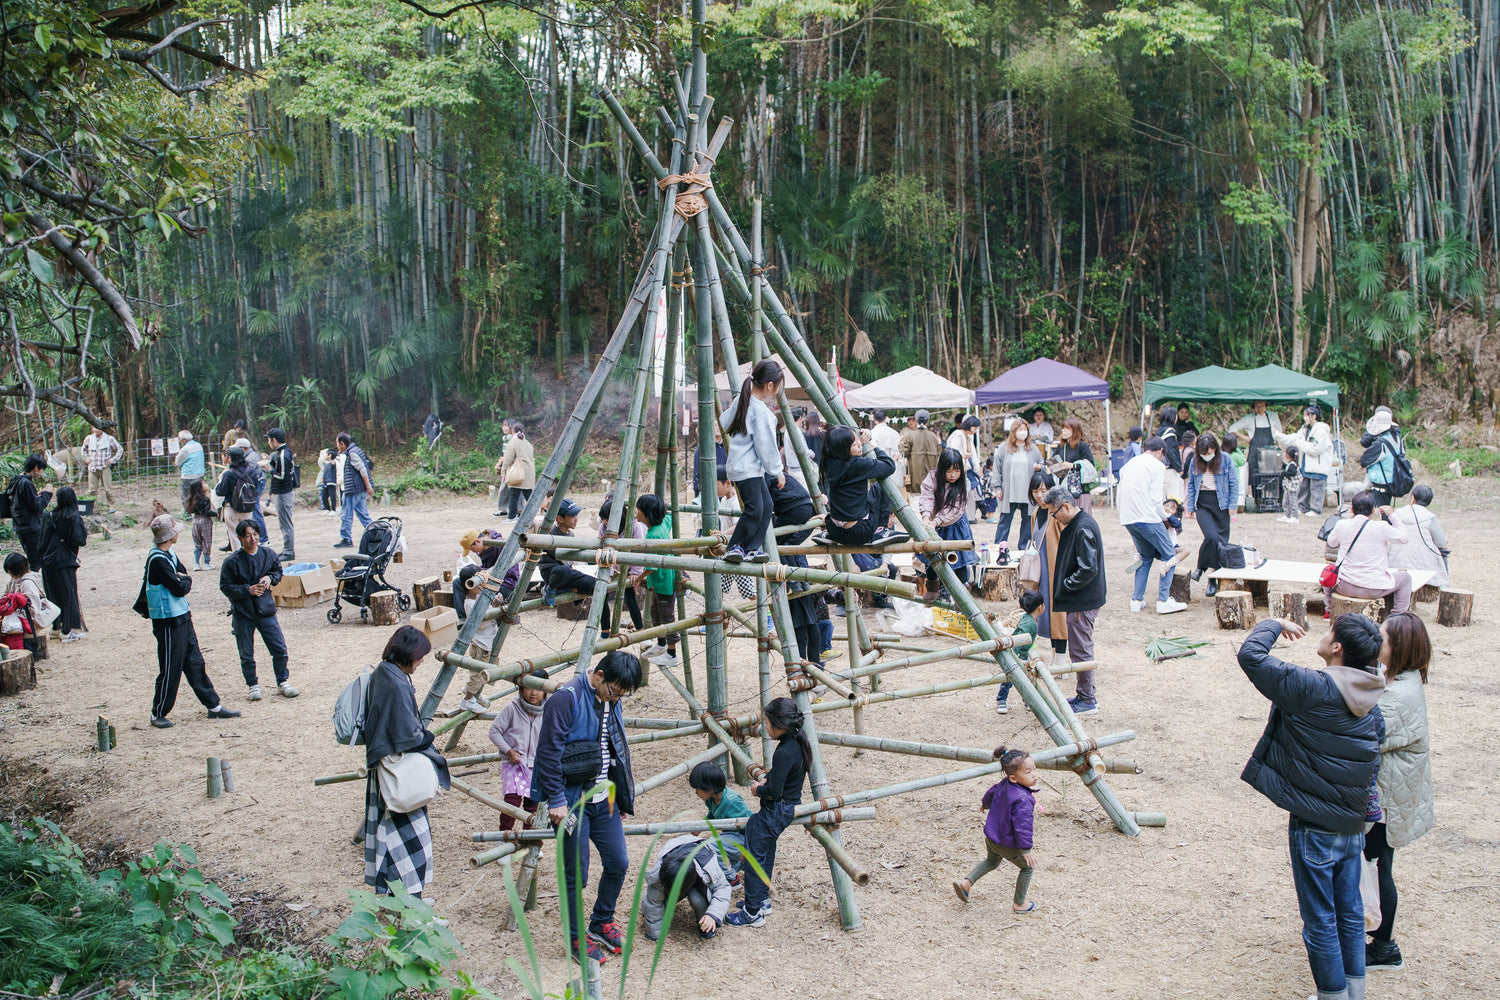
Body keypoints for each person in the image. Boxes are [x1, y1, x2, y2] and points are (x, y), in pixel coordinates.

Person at [1237, 613, 1385, 1000]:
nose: (1324, 635)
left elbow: (1252, 656)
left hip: (1314, 826)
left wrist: (1271, 623)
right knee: (1350, 915)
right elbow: (1374, 759)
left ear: (1336, 648)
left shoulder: (1313, 688)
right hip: (1351, 828)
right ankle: (1354, 992)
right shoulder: (1371, 699)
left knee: (1320, 919)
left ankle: (1332, 996)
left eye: (1329, 631)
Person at [530, 650, 643, 964]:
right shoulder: (565, 699)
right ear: (600, 676)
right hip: (571, 802)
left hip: (603, 800)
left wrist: (620, 797)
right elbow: (548, 756)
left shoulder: (611, 701)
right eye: (615, 692)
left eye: (623, 695)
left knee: (618, 862)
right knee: (575, 874)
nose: (617, 698)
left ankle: (601, 921)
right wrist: (556, 801)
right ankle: (576, 938)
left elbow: (615, 750)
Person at [1363, 612, 1433, 973]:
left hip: (1388, 798)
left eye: (1383, 638)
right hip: (1390, 793)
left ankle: (1385, 947)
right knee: (1376, 865)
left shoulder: (1400, 694)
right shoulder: (1398, 679)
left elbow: (1369, 735)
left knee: (1376, 867)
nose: (1378, 642)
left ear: (1399, 648)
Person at [362, 625, 450, 901]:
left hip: (386, 764)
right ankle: (411, 903)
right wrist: (428, 736)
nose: (422, 662)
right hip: (398, 770)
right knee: (408, 844)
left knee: (392, 842)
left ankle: (403, 901)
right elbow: (407, 735)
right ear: (409, 654)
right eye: (420, 656)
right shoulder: (396, 685)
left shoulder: (384, 672)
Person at [138, 509, 239, 728]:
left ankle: (213, 705)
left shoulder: (169, 554)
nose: (177, 533)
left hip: (181, 615)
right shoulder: (157, 559)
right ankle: (158, 712)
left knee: (195, 662)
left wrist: (182, 579)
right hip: (167, 620)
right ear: (167, 535)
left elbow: (182, 577)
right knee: (171, 667)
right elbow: (180, 587)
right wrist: (182, 579)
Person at [726, 697, 811, 928]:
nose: (765, 728)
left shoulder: (785, 751)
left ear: (779, 724)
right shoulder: (796, 742)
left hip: (777, 808)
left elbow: (774, 790)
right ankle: (761, 900)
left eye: (767, 722)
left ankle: (752, 913)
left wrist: (758, 789)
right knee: (765, 852)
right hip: (785, 807)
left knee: (754, 856)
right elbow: (781, 776)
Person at [951, 745, 1040, 914]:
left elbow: (991, 793)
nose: (1034, 774)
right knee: (1027, 868)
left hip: (992, 837)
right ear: (1014, 778)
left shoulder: (1005, 784)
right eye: (1028, 772)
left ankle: (966, 884)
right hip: (1007, 842)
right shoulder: (1022, 799)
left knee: (992, 861)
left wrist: (984, 804)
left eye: (1034, 769)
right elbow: (1023, 827)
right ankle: (1019, 903)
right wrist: (1026, 850)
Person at [219, 520, 296, 701]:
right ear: (239, 538)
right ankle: (252, 685)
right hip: (243, 612)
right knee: (246, 653)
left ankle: (282, 681)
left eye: (255, 534)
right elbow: (225, 586)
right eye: (247, 535)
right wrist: (247, 590)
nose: (252, 539)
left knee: (279, 648)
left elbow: (278, 571)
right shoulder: (231, 562)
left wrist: (270, 578)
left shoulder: (268, 554)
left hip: (266, 610)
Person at [718, 360, 786, 564]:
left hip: (744, 467)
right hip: (747, 468)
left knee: (766, 506)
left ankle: (752, 548)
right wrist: (778, 471)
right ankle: (735, 546)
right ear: (770, 386)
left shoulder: (743, 400)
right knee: (755, 509)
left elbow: (723, 421)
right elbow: (767, 446)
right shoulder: (761, 412)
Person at [1047, 487, 1106, 715]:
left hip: (1083, 599)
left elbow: (1088, 568)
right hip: (1083, 598)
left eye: (1054, 513)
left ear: (1067, 507)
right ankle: (1084, 694)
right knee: (1081, 647)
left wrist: (1067, 586)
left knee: (1081, 649)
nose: (1055, 518)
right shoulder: (1080, 524)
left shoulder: (1082, 527)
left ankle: (1088, 700)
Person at [1117, 438, 1187, 615]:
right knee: (1169, 554)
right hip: (1146, 517)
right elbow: (1156, 499)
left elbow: (1120, 492)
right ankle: (1163, 601)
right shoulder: (1156, 466)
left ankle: (1136, 599)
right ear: (1161, 452)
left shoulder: (1129, 464)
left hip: (1127, 517)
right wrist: (1167, 517)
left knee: (1145, 556)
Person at [814, 426, 908, 548]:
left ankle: (828, 534)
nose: (859, 445)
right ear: (842, 449)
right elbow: (889, 466)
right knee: (880, 487)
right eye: (854, 444)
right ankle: (880, 530)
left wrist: (865, 433)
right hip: (859, 532)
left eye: (858, 440)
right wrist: (875, 448)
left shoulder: (828, 463)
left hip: (834, 530)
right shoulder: (858, 464)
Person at [1328, 491, 1413, 614]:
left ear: (1352, 509)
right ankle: (1396, 616)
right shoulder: (1381, 527)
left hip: (1344, 586)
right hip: (1373, 587)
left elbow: (1331, 542)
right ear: (1373, 510)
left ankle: (1327, 609)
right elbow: (1404, 538)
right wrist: (1392, 515)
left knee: (1330, 569)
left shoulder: (1342, 524)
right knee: (1405, 578)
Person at [488, 670, 549, 831]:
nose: (533, 693)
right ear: (521, 689)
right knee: (511, 803)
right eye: (529, 688)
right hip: (514, 763)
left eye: (538, 688)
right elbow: (494, 731)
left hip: (537, 765)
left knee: (532, 806)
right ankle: (504, 839)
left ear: (546, 691)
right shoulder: (511, 709)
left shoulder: (549, 712)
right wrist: (509, 751)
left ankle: (529, 842)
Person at [641, 836, 733, 941]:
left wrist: (712, 914)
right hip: (678, 865)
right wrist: (657, 934)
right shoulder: (660, 873)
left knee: (696, 898)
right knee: (652, 897)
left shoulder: (707, 865)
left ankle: (705, 925)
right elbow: (653, 903)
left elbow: (723, 888)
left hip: (698, 871)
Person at [915, 447, 976, 600]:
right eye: (949, 471)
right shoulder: (933, 477)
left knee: (960, 559)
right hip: (934, 525)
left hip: (955, 525)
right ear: (942, 469)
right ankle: (933, 588)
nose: (953, 475)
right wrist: (926, 517)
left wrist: (936, 521)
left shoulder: (964, 482)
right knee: (931, 556)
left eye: (956, 471)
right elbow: (927, 497)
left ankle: (962, 591)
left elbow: (955, 509)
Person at [1185, 432, 1241, 597]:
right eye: (1204, 453)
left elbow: (1233, 482)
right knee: (1211, 537)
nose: (1207, 456)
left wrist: (1233, 505)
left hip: (1221, 504)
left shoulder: (1225, 459)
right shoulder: (1195, 461)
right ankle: (1202, 568)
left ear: (1215, 449)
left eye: (1209, 452)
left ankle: (1211, 578)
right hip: (1203, 502)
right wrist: (1190, 505)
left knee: (1221, 543)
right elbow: (1191, 484)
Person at [637, 494, 681, 668]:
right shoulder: (662, 525)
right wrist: (666, 506)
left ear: (646, 514)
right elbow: (669, 516)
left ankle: (671, 654)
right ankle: (661, 643)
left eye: (638, 509)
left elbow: (652, 566)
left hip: (664, 583)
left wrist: (639, 577)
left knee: (667, 617)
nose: (636, 512)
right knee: (655, 613)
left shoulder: (652, 536)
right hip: (659, 582)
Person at [990, 420, 1044, 560]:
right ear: (1013, 431)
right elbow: (997, 469)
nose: (1023, 432)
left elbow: (1043, 464)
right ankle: (999, 548)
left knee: (1027, 521)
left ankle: (1024, 550)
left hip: (1028, 491)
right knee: (1005, 520)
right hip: (1009, 491)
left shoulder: (1033, 448)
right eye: (1019, 429)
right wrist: (997, 487)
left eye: (1025, 429)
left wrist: (1039, 467)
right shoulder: (1003, 448)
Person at [689, 761, 751, 879]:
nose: (696, 792)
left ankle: (732, 879)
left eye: (698, 789)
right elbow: (713, 813)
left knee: (712, 844)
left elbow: (751, 823)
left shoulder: (732, 802)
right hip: (731, 837)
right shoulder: (711, 799)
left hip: (747, 840)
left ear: (710, 789)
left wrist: (751, 848)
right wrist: (701, 827)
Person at [596, 495, 646, 638]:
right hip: (610, 566)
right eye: (603, 519)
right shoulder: (603, 527)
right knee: (602, 596)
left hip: (629, 568)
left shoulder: (633, 526)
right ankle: (605, 632)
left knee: (630, 599)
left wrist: (636, 572)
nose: (605, 522)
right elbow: (602, 550)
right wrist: (608, 572)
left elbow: (637, 551)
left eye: (607, 519)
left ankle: (640, 631)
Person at [42, 486, 87, 641]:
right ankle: (68, 631)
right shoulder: (74, 517)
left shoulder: (49, 516)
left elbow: (42, 542)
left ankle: (55, 628)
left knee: (53, 595)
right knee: (68, 595)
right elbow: (80, 540)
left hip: (48, 562)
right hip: (65, 562)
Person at [455, 563, 501, 714]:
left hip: (487, 642)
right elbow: (482, 621)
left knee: (486, 670)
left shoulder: (479, 597)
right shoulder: (470, 603)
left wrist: (494, 603)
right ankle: (467, 700)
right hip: (481, 645)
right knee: (478, 674)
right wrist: (497, 609)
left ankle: (474, 692)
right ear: (470, 584)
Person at [1386, 485, 1448, 588]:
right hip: (1424, 565)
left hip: (1396, 562)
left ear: (1413, 498)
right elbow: (1441, 543)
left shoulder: (1396, 514)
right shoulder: (1430, 518)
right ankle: (1443, 587)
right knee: (1443, 552)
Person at [1282, 405, 1336, 515]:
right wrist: (1279, 436)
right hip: (1306, 464)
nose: (1304, 418)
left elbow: (1316, 448)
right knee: (1304, 487)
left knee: (1316, 488)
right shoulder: (1305, 429)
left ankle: (1315, 510)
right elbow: (1294, 438)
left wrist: (1301, 444)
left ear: (1314, 416)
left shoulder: (1322, 431)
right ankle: (1302, 507)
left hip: (1318, 466)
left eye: (1307, 416)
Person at [8, 456, 53, 571]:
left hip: (20, 527)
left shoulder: (16, 480)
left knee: (33, 559)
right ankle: (35, 587)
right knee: (36, 562)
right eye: (41, 469)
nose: (41, 473)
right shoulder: (26, 483)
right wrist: (47, 494)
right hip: (31, 528)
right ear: (36, 468)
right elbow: (37, 507)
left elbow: (24, 503)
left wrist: (37, 495)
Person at [1359, 406, 1407, 506]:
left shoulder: (1380, 443)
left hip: (1381, 481)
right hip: (1394, 478)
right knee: (1386, 509)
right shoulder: (1397, 439)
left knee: (1372, 506)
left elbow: (1364, 460)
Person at [215, 447, 258, 553]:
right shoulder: (251, 471)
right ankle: (251, 556)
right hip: (248, 507)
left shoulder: (229, 474)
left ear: (230, 458)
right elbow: (255, 487)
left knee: (234, 536)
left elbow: (220, 491)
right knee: (249, 534)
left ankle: (239, 560)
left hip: (232, 507)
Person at [335, 432, 374, 548]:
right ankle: (374, 533)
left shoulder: (352, 453)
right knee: (363, 515)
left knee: (346, 514)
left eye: (337, 443)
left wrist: (368, 486)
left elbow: (362, 469)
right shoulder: (356, 450)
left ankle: (346, 538)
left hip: (353, 489)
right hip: (360, 489)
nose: (337, 446)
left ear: (342, 443)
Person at [1050, 417, 1097, 513]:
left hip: (1079, 491)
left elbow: (1090, 466)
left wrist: (1072, 466)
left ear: (1075, 430)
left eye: (1066, 429)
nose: (1063, 431)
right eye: (1062, 428)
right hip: (1063, 488)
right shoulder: (1061, 446)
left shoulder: (1082, 446)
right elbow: (1053, 463)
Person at [265, 428, 296, 561]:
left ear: (274, 440)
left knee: (285, 522)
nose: (268, 442)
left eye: (268, 439)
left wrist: (269, 470)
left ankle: (289, 550)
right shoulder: (282, 453)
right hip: (282, 492)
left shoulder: (284, 455)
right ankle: (286, 549)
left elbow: (283, 476)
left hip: (284, 493)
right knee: (284, 521)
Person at [899, 409, 943, 495]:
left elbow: (904, 453)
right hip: (931, 481)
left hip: (914, 481)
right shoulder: (933, 437)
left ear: (916, 421)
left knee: (915, 505)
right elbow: (939, 455)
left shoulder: (910, 435)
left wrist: (900, 444)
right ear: (928, 421)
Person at [81, 425, 124, 511]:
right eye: (94, 428)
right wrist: (85, 458)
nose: (96, 430)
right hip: (93, 467)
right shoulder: (89, 438)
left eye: (98, 428)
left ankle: (111, 506)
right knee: (92, 490)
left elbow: (120, 450)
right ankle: (92, 507)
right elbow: (83, 449)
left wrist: (112, 460)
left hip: (104, 467)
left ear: (102, 429)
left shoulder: (109, 438)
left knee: (108, 489)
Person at [500, 422, 536, 520]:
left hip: (518, 473)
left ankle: (511, 517)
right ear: (523, 431)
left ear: (512, 431)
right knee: (529, 496)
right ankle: (532, 515)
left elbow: (508, 458)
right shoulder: (528, 443)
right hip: (529, 474)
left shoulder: (513, 441)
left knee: (513, 496)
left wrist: (503, 472)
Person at [186, 478, 216, 571]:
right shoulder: (205, 499)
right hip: (205, 520)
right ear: (200, 487)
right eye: (204, 483)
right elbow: (207, 511)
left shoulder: (191, 499)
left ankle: (196, 563)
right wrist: (216, 514)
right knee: (206, 541)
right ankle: (206, 563)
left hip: (195, 520)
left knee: (197, 541)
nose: (206, 485)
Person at [174, 430, 205, 512]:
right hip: (200, 474)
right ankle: (200, 511)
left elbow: (177, 462)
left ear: (183, 440)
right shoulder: (198, 445)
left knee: (186, 496)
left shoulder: (185, 449)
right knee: (199, 494)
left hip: (188, 476)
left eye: (179, 439)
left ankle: (187, 513)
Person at [492, 418, 515, 516]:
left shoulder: (513, 439)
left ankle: (518, 510)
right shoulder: (505, 439)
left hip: (513, 467)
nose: (504, 427)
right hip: (506, 467)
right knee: (504, 488)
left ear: (511, 427)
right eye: (503, 425)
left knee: (514, 489)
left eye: (506, 425)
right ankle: (503, 509)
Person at [1277, 444, 1304, 524]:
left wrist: (1283, 473)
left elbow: (1291, 473)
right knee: (1286, 501)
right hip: (1288, 486)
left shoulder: (1293, 465)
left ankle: (1294, 516)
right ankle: (1287, 514)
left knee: (1292, 501)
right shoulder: (1291, 464)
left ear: (1288, 455)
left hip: (1293, 487)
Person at [318, 447, 340, 514]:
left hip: (331, 482)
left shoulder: (333, 463)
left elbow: (335, 464)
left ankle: (333, 510)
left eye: (326, 455)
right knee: (324, 497)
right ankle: (327, 509)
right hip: (326, 482)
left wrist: (334, 462)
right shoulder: (326, 464)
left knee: (332, 496)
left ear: (329, 455)